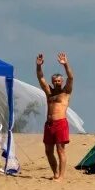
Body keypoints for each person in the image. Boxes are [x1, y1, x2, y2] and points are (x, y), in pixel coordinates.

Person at [36, 51, 74, 180]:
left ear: (61, 82)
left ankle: (61, 176)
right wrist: (39, 66)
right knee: (48, 151)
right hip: (49, 125)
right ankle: (55, 173)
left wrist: (65, 64)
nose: (57, 82)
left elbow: (71, 78)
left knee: (60, 150)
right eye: (55, 81)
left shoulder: (66, 92)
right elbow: (41, 79)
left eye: (59, 81)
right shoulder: (49, 92)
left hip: (60, 123)